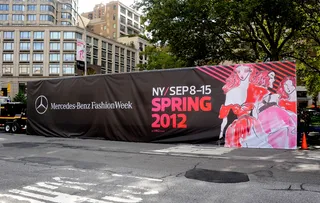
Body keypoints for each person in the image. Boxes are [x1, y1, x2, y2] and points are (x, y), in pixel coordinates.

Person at [219, 64, 267, 148]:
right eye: (238, 71)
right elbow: (224, 117)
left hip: (252, 125)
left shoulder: (257, 90)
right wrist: (221, 133)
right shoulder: (231, 92)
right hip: (237, 127)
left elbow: (257, 113)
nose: (241, 74)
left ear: (251, 71)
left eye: (245, 71)